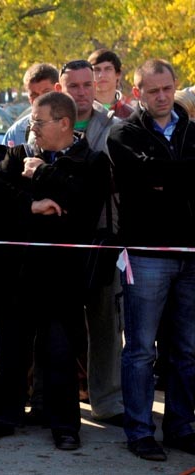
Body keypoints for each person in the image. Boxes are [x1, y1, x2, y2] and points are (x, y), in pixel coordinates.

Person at [0, 92, 109, 451]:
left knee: (60, 352)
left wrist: (42, 173)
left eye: (38, 121)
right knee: (12, 351)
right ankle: (2, 417)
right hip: (16, 274)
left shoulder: (92, 160)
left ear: (64, 123)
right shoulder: (17, 154)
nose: (32, 127)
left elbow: (82, 205)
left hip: (63, 277)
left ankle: (64, 425)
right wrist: (31, 205)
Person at [107, 59, 195, 462]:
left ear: (175, 87)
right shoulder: (123, 133)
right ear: (137, 92)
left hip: (190, 255)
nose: (162, 96)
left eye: (167, 89)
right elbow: (140, 178)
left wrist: (163, 178)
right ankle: (140, 431)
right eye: (153, 90)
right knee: (141, 350)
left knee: (186, 350)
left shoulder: (192, 131)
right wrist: (176, 177)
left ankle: (181, 426)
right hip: (145, 255)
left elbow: (158, 177)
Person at [55, 58, 124, 426]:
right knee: (56, 326)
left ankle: (108, 401)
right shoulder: (38, 123)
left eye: (87, 84)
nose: (81, 92)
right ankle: (52, 400)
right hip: (56, 241)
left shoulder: (116, 126)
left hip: (102, 239)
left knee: (106, 325)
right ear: (60, 89)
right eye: (73, 86)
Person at [2, 64, 59, 146]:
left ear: (58, 90)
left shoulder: (71, 127)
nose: (40, 100)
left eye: (46, 93)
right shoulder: (15, 134)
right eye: (34, 95)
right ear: (29, 98)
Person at [88, 49, 134, 119]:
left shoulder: (131, 116)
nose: (102, 75)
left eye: (108, 69)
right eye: (96, 70)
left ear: (118, 74)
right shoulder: (81, 113)